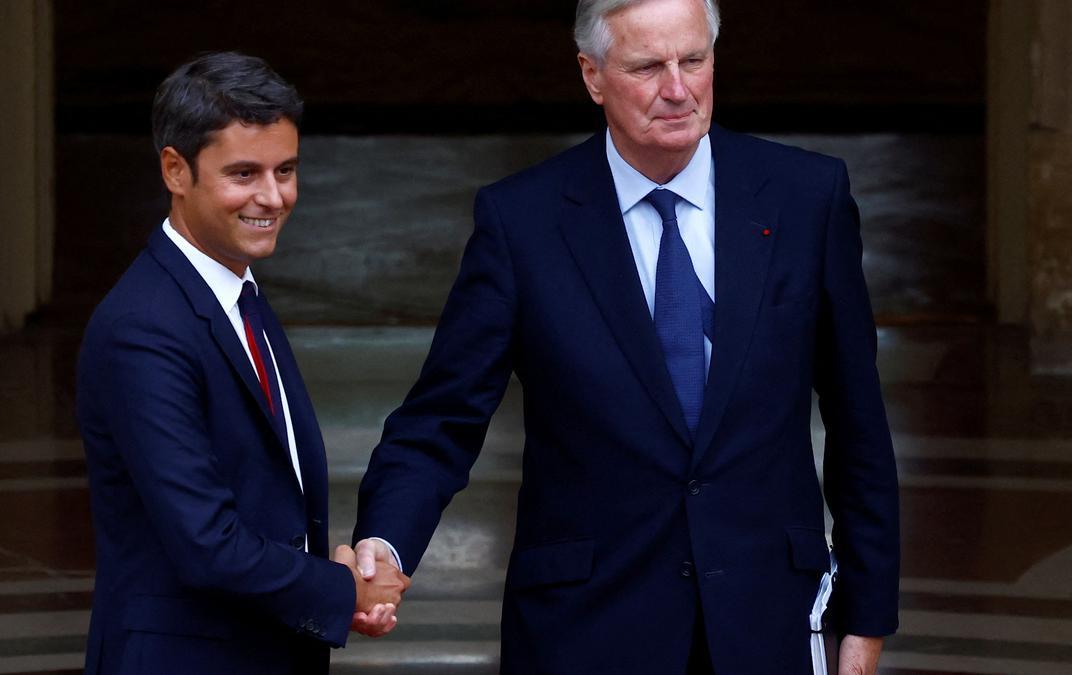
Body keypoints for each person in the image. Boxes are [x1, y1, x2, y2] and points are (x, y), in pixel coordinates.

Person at [350, 1, 899, 673]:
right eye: (647, 66)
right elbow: (442, 417)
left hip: (768, 621)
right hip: (586, 627)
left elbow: (859, 423)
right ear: (593, 75)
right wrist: (387, 542)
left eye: (693, 60)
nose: (678, 88)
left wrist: (866, 618)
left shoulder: (804, 198)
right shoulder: (522, 222)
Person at [76, 51, 408, 675]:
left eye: (286, 170)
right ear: (176, 170)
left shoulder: (236, 292)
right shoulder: (142, 328)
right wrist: (342, 592)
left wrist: (328, 583)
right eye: (244, 174)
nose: (273, 197)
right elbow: (206, 542)